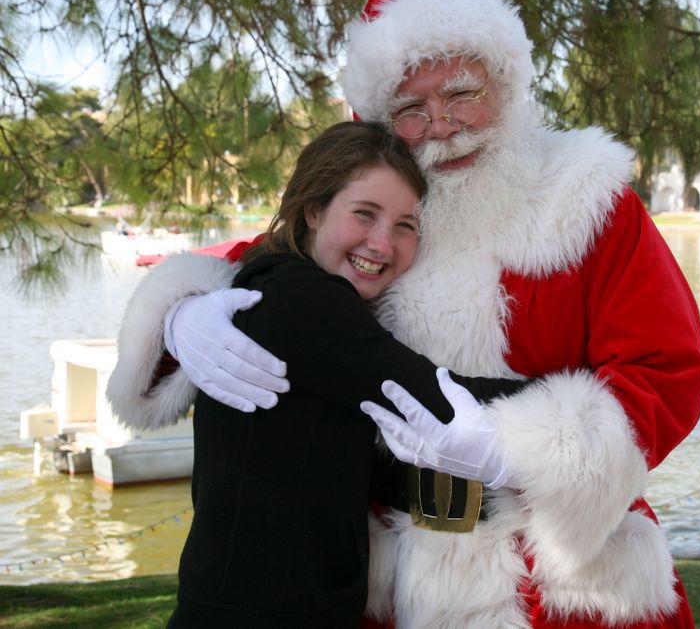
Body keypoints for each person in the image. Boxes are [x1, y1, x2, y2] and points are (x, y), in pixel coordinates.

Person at [107, 0, 700, 628]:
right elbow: (262, 264)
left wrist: (519, 446)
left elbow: (665, 373)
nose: (444, 125)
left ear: (505, 86)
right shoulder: (377, 226)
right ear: (382, 124)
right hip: (391, 583)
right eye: (412, 111)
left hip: (560, 579)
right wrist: (183, 313)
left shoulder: (588, 202)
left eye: (461, 94)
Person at [140, 121, 524, 627]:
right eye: (364, 214)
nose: (382, 244)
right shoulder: (304, 299)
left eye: (405, 225)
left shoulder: (275, 287)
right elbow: (422, 395)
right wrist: (584, 401)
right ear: (313, 211)